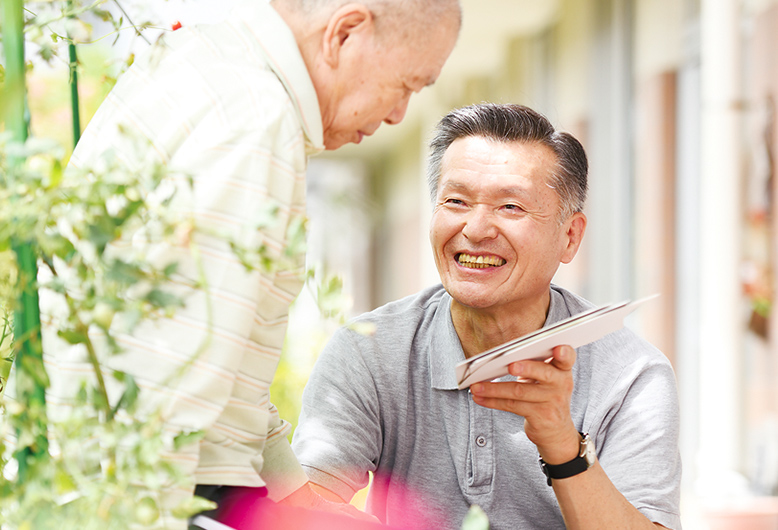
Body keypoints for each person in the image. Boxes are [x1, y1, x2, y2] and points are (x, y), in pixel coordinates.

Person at [44, 0, 461, 527]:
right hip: (155, 496)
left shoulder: (205, 65)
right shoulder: (254, 123)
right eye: (407, 85)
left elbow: (223, 366)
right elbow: (171, 378)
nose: (400, 113)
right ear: (347, 32)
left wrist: (299, 501)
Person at [291, 103, 682, 529]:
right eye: (456, 200)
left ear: (570, 237)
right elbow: (302, 510)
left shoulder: (631, 373)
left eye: (511, 207)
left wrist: (563, 446)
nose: (476, 229)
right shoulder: (370, 349)